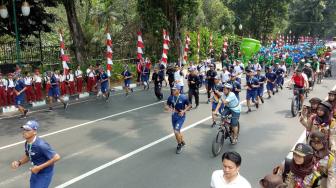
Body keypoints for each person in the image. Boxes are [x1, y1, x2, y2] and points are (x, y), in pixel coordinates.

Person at [11, 120, 61, 188]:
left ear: (34, 132)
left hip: (44, 173)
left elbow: (57, 157)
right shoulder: (27, 143)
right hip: (35, 171)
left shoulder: (41, 145)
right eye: (24, 129)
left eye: (28, 130)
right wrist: (19, 162)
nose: (24, 132)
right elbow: (28, 155)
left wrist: (39, 167)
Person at [165, 85, 191, 154]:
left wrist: (184, 111)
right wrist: (167, 107)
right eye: (172, 89)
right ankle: (182, 141)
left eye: (174, 90)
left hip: (181, 116)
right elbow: (167, 105)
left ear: (179, 90)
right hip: (174, 116)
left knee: (176, 131)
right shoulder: (170, 97)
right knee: (176, 131)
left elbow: (189, 105)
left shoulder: (183, 97)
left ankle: (179, 145)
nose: (173, 91)